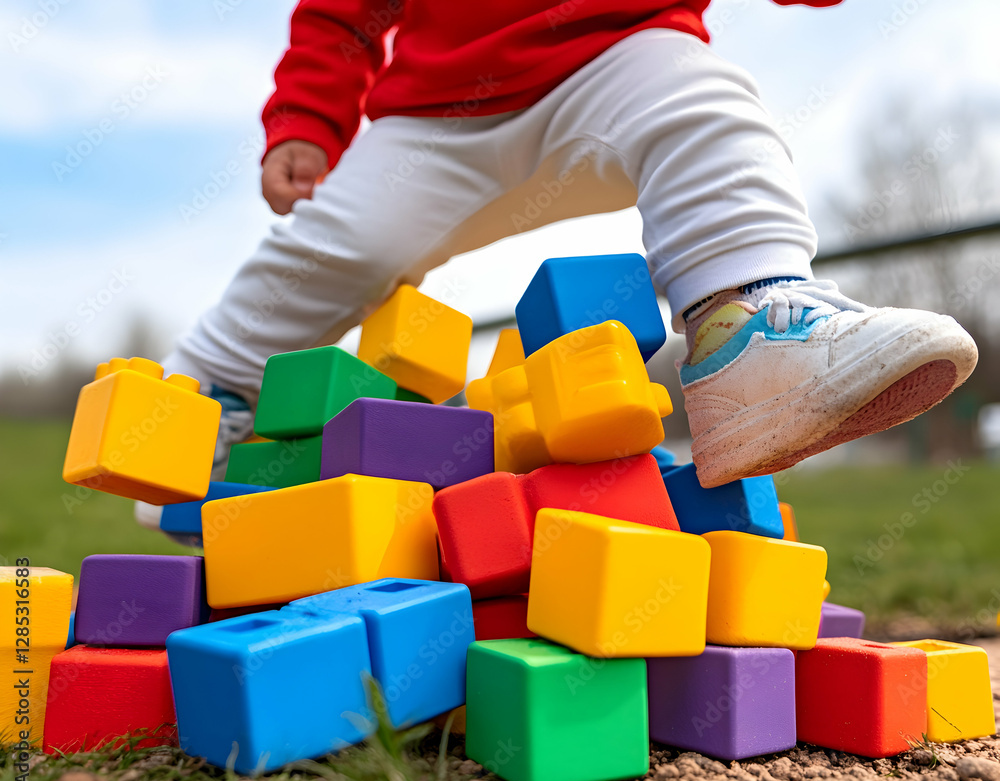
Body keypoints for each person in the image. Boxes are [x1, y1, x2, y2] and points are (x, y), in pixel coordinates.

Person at [155, 0, 977, 497]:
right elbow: (340, 14)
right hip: (434, 118)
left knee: (703, 106)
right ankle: (196, 406)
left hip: (620, 56)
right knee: (339, 243)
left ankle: (749, 337)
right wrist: (307, 117)